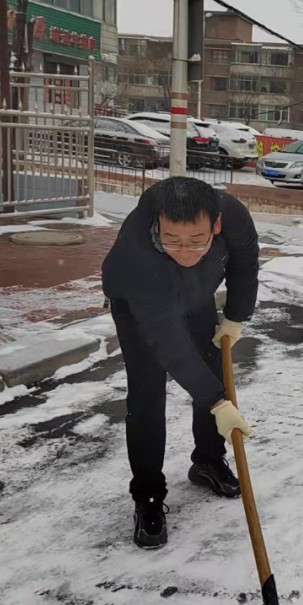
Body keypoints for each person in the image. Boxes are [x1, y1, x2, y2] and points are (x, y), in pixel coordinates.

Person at [102, 177, 260, 549]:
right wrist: (219, 404)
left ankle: (207, 461)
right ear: (156, 225)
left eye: (197, 241)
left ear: (216, 226)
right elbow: (167, 343)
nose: (185, 251)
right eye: (171, 240)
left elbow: (244, 264)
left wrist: (235, 318)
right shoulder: (136, 256)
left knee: (211, 371)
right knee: (147, 396)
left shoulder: (232, 216)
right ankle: (148, 497)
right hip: (141, 305)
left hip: (196, 295)